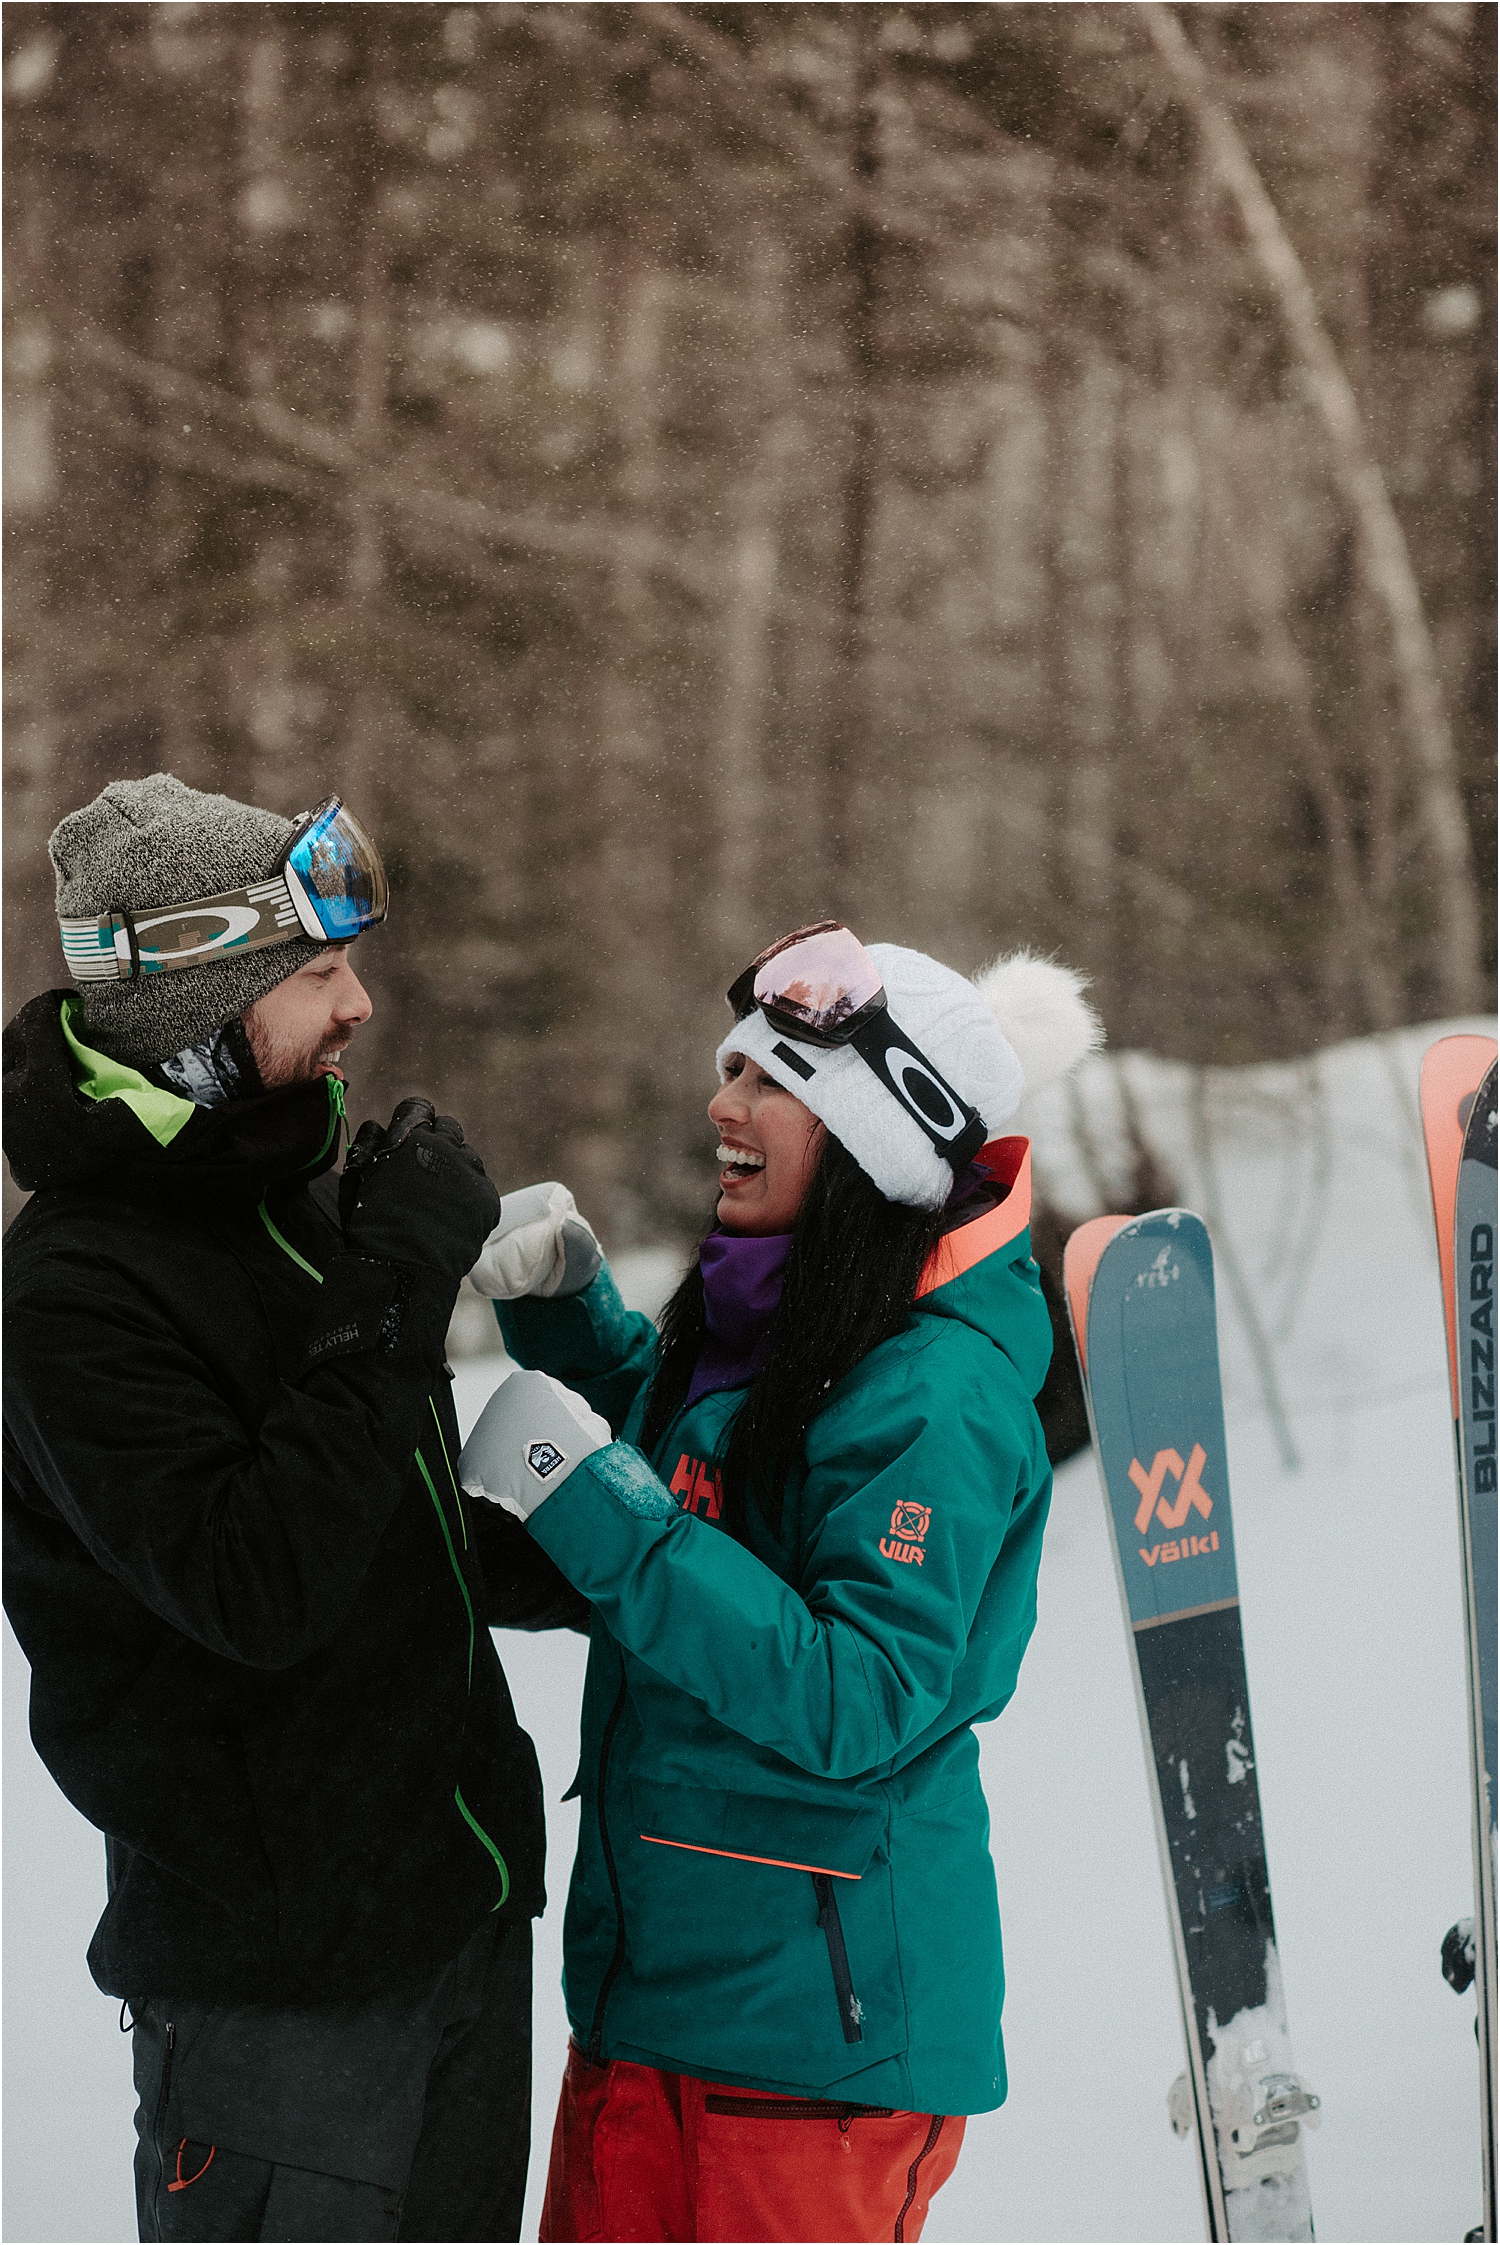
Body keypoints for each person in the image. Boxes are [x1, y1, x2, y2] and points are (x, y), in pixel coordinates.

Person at [2, 773, 586, 2244]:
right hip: (280, 2005)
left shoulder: (291, 1197)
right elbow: (255, 1580)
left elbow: (377, 1521)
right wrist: (398, 1284)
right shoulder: (77, 1286)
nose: (359, 1006)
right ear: (195, 994)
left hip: (453, 1920)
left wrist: (619, 1527)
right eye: (318, 970)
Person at [457, 922, 1102, 2244]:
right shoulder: (789, 1304)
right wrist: (580, 1326)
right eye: (730, 1067)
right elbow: (715, 1484)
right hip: (658, 2006)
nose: (722, 1103)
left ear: (876, 1141)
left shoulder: (939, 1392)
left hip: (816, 2056)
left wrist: (599, 1503)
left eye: (769, 1082)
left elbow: (858, 1692)